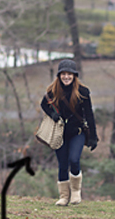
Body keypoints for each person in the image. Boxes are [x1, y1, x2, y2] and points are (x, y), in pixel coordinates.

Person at [40, 59, 98, 206]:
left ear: (74, 76)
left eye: (69, 74)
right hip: (59, 134)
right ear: (59, 75)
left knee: (74, 159)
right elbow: (43, 104)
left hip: (77, 132)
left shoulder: (83, 92)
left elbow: (89, 114)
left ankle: (76, 192)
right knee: (63, 164)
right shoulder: (53, 91)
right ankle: (64, 196)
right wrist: (52, 115)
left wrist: (94, 137)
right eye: (63, 74)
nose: (66, 77)